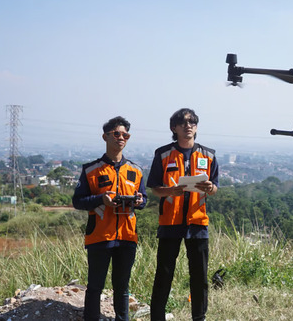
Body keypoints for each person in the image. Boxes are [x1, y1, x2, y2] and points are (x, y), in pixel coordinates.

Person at [72, 116, 146, 321]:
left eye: (125, 135)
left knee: (122, 286)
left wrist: (140, 201)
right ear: (105, 136)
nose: (121, 137)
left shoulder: (136, 170)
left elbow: (144, 199)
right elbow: (78, 201)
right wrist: (101, 199)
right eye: (116, 134)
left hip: (127, 236)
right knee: (95, 285)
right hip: (99, 235)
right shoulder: (91, 169)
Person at [147, 108, 219, 321]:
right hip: (170, 222)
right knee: (164, 274)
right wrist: (171, 191)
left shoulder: (209, 154)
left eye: (192, 122)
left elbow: (215, 188)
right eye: (183, 122)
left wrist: (209, 188)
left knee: (200, 277)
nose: (188, 126)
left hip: (197, 222)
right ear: (174, 128)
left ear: (196, 127)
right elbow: (155, 188)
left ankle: (199, 317)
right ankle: (157, 317)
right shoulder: (162, 154)